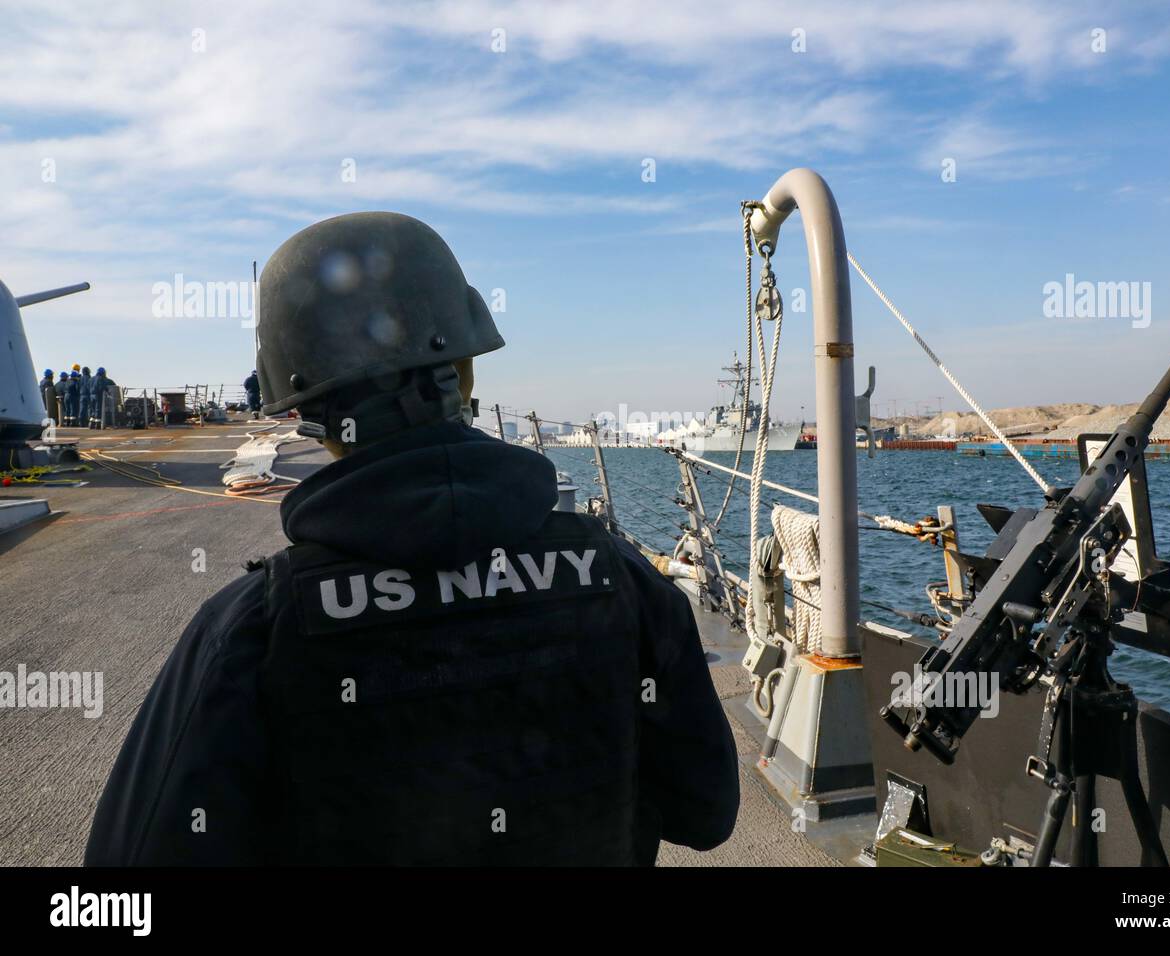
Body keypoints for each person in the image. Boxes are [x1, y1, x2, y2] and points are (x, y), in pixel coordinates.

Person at [85, 211, 739, 866]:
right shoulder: (618, 576)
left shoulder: (254, 631)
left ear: (301, 407)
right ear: (467, 369)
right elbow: (704, 811)